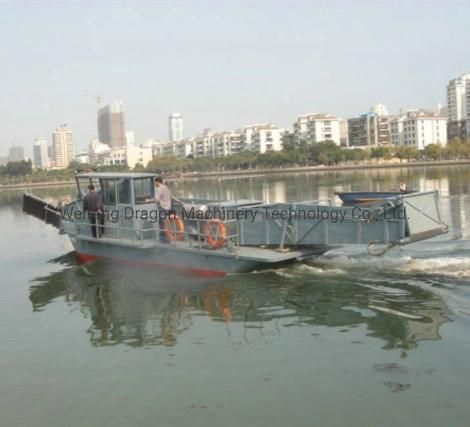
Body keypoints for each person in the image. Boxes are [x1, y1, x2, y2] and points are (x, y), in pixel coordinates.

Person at [153, 176, 172, 243]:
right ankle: (168, 237)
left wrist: (150, 200)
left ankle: (163, 238)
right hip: (168, 207)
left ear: (157, 181)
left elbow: (157, 199)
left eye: (155, 182)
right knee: (166, 222)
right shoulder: (166, 187)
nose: (154, 183)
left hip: (162, 208)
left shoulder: (158, 188)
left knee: (162, 223)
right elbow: (170, 196)